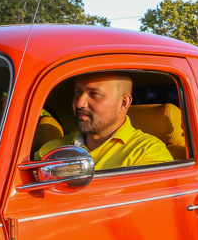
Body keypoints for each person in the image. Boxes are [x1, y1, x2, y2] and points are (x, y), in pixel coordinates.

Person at [36, 72, 173, 169]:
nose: (80, 103)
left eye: (94, 94)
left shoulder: (147, 152)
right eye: (78, 92)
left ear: (123, 103)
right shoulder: (50, 150)